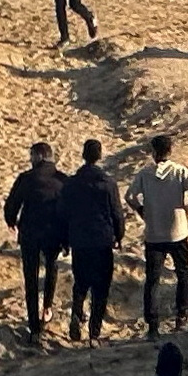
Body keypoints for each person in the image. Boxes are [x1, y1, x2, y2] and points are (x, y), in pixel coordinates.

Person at [127, 135, 188, 339]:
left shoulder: (145, 174)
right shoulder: (179, 171)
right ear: (170, 150)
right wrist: (187, 209)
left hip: (154, 233)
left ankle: (152, 325)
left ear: (153, 152)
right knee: (183, 274)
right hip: (177, 231)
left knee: (152, 280)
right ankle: (181, 315)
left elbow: (129, 196)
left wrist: (141, 210)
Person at [1, 143, 69, 341]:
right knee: (51, 267)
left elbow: (12, 204)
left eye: (31, 155)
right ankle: (47, 307)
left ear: (39, 156)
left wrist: (11, 221)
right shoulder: (62, 179)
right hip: (54, 233)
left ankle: (34, 327)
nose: (30, 159)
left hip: (30, 233)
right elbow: (68, 209)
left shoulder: (26, 178)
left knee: (30, 279)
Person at [63, 139, 123, 341]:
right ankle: (94, 331)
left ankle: (76, 314)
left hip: (79, 240)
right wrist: (119, 235)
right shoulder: (108, 183)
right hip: (102, 240)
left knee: (80, 283)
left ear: (83, 155)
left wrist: (65, 238)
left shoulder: (71, 183)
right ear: (99, 156)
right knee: (101, 287)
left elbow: (63, 212)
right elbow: (116, 213)